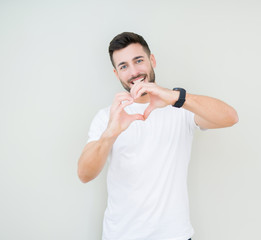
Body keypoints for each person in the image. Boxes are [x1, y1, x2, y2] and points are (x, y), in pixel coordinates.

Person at [78, 32, 238, 240]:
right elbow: (84, 174)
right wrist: (111, 132)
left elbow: (230, 117)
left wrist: (175, 97)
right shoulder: (106, 117)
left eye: (138, 60)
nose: (134, 72)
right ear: (117, 74)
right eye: (124, 66)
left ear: (152, 60)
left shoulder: (180, 108)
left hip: (175, 235)